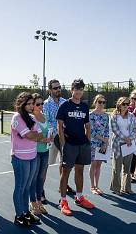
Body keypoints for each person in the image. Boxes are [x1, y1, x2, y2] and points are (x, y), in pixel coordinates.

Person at [57, 79, 94, 216]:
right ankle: (63, 200)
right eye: (76, 88)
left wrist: (88, 140)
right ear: (72, 89)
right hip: (69, 144)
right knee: (65, 171)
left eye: (81, 89)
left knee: (80, 170)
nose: (78, 91)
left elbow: (87, 125)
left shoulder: (84, 106)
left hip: (82, 144)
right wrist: (63, 143)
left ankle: (79, 197)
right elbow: (59, 125)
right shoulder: (65, 105)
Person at [11, 92, 49, 226]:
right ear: (22, 104)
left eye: (32, 103)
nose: (32, 106)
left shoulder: (33, 117)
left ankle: (26, 213)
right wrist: (32, 135)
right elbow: (32, 136)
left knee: (27, 187)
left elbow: (38, 135)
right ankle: (19, 216)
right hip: (20, 157)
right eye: (29, 104)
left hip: (33, 156)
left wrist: (32, 134)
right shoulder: (17, 117)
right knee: (20, 187)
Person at [43, 79, 75, 201]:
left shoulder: (65, 102)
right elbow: (46, 121)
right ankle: (41, 190)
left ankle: (63, 185)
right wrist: (57, 131)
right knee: (45, 165)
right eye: (55, 88)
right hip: (52, 138)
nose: (58, 90)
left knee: (64, 164)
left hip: (65, 138)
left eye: (59, 87)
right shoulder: (46, 104)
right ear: (50, 90)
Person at [110, 97, 136, 195]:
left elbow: (135, 129)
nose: (126, 106)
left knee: (127, 168)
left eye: (127, 104)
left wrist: (130, 139)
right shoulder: (114, 116)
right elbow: (115, 130)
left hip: (129, 145)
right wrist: (125, 139)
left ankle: (127, 188)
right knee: (117, 168)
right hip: (118, 145)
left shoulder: (132, 116)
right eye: (123, 104)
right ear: (119, 105)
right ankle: (116, 188)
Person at [29, 93, 50, 215]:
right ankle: (33, 204)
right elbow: (30, 136)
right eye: (38, 104)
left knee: (41, 178)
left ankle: (39, 203)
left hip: (45, 151)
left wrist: (50, 137)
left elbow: (46, 132)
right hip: (34, 152)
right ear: (32, 105)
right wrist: (42, 139)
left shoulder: (44, 116)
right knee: (33, 179)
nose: (41, 106)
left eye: (42, 103)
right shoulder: (30, 118)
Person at [89, 94, 109, 195]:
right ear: (95, 102)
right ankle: (92, 186)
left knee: (99, 165)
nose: (101, 104)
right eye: (99, 102)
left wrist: (106, 142)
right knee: (93, 165)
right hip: (93, 144)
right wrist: (103, 140)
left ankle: (97, 186)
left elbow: (107, 130)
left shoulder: (106, 116)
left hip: (102, 145)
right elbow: (91, 131)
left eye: (103, 102)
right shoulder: (91, 115)